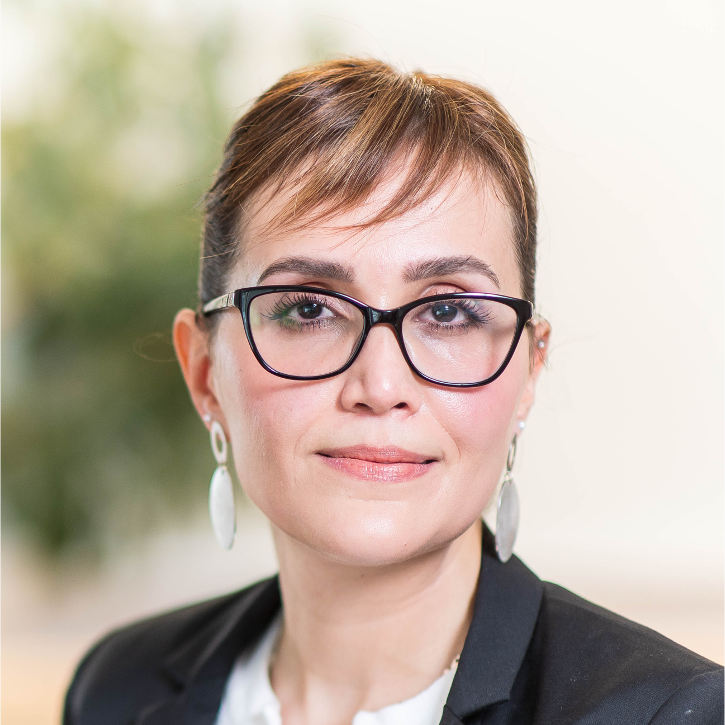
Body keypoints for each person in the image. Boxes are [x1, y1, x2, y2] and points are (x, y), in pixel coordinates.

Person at [63, 58, 725, 725]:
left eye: (448, 312)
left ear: (528, 369)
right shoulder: (114, 690)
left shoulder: (667, 713)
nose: (380, 387)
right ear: (205, 372)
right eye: (309, 309)